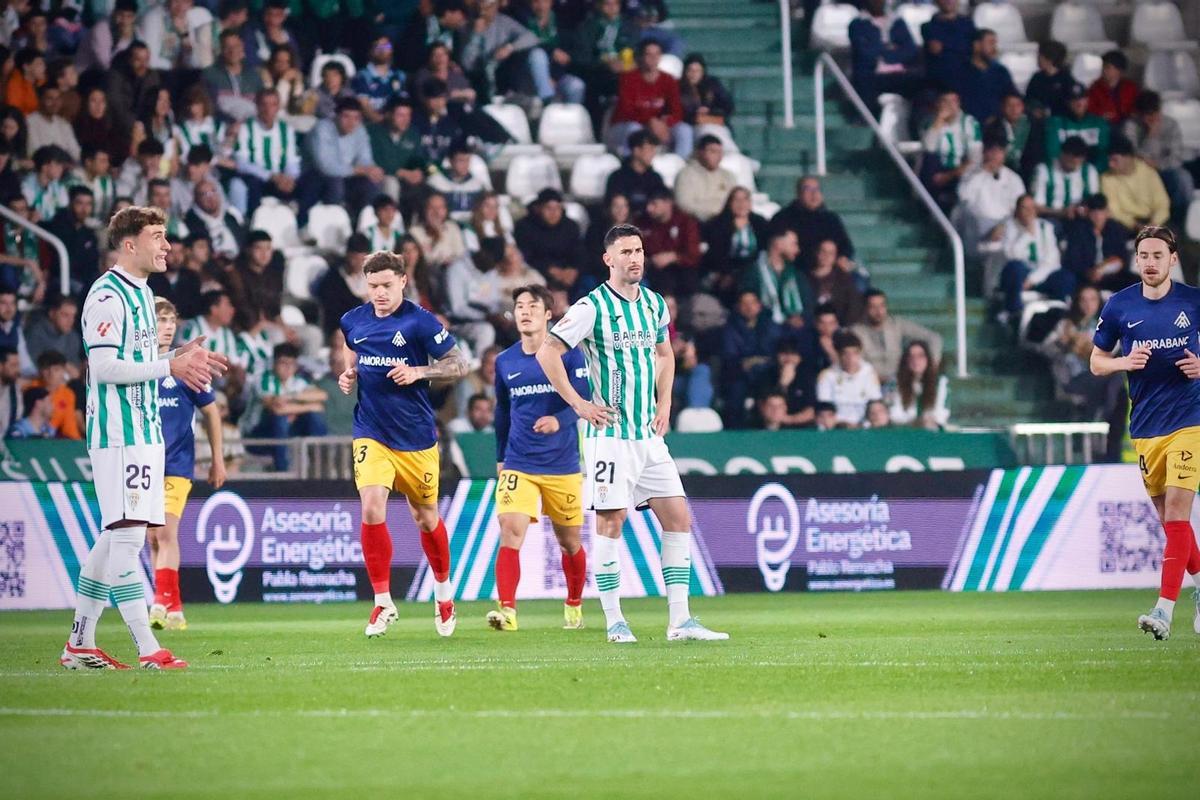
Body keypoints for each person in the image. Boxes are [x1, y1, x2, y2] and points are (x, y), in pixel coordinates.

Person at [537, 223, 728, 642]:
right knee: (612, 521)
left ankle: (680, 621)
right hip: (609, 436)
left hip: (647, 435)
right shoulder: (592, 307)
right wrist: (578, 403)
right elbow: (548, 351)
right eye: (625, 252)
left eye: (639, 250)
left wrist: (665, 404)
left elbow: (665, 354)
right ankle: (614, 620)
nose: (635, 258)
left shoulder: (656, 305)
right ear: (608, 259)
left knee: (678, 517)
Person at [60, 205, 226, 671]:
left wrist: (179, 355)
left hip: (145, 433)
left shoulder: (142, 293)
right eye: (157, 236)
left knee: (112, 539)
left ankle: (79, 642)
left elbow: (138, 360)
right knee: (129, 541)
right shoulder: (107, 295)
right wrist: (169, 365)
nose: (167, 245)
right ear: (129, 245)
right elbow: (105, 367)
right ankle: (148, 648)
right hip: (120, 434)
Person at [337, 249, 469, 638]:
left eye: (386, 286)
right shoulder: (353, 320)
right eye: (373, 286)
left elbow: (460, 363)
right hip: (372, 431)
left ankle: (443, 595)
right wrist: (349, 373)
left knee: (425, 517)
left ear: (402, 282)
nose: (379, 293)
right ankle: (382, 602)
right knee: (372, 506)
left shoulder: (420, 322)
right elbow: (351, 346)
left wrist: (419, 371)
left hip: (416, 438)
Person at [1089, 226, 1200, 640]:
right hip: (1146, 428)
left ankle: (1164, 611)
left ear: (1172, 259)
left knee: (1176, 514)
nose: (1151, 263)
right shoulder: (1120, 306)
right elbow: (1097, 362)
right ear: (1137, 261)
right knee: (1171, 524)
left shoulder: (1193, 300)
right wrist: (1125, 363)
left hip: (1191, 421)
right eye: (1144, 256)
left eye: (1158, 255)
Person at [146, 297, 224, 632]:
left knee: (165, 531)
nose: (166, 326)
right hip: (142, 464)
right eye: (160, 320)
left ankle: (159, 603)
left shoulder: (187, 365)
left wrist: (217, 459)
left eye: (170, 320)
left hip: (177, 464)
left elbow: (211, 411)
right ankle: (173, 606)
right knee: (152, 538)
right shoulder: (137, 366)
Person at [1036, 285, 1125, 460]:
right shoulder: (1065, 325)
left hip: (1099, 378)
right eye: (1083, 300)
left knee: (1116, 385)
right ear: (1077, 302)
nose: (1088, 304)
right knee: (1116, 387)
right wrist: (1065, 344)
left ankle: (1101, 425)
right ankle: (1103, 419)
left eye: (1092, 299)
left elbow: (1114, 350)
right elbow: (1045, 348)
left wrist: (1091, 348)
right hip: (1074, 378)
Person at [243, 342, 327, 471]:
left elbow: (322, 396)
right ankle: (282, 472)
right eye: (283, 363)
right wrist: (310, 405)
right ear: (274, 363)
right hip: (258, 434)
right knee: (279, 420)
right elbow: (276, 409)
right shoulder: (264, 380)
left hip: (286, 431)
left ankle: (319, 468)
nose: (288, 368)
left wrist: (291, 397)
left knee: (313, 418)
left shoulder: (297, 382)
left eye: (292, 364)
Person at [299, 97, 383, 225]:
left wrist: (372, 170)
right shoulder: (322, 128)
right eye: (346, 117)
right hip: (315, 178)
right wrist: (359, 170)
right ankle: (330, 225)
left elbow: (365, 159)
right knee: (335, 182)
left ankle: (361, 226)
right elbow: (326, 167)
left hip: (347, 177)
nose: (351, 122)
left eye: (356, 118)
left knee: (373, 183)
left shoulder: (360, 130)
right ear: (336, 116)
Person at [607, 39, 692, 158]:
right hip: (625, 126)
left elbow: (677, 111)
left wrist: (665, 123)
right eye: (649, 54)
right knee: (634, 129)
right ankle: (630, 166)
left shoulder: (669, 80)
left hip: (657, 127)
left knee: (684, 130)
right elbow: (626, 111)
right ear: (641, 57)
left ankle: (680, 166)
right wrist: (650, 122)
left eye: (657, 54)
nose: (653, 58)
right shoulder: (628, 78)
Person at [1122, 91, 1194, 221]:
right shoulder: (1131, 126)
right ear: (1139, 113)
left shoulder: (1171, 125)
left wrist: (1158, 165)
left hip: (1165, 170)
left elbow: (1176, 158)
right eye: (1146, 114)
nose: (1150, 117)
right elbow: (1131, 156)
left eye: (1154, 112)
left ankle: (1181, 219)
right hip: (1140, 172)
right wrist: (1151, 135)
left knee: (1183, 177)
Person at [229, 88, 299, 216]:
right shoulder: (246, 128)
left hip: (280, 179)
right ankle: (253, 222)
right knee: (251, 183)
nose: (268, 110)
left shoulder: (286, 130)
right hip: (257, 178)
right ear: (257, 106)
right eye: (264, 104)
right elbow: (242, 164)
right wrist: (271, 176)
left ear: (278, 107)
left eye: (273, 105)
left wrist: (290, 178)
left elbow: (292, 160)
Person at [852, 289, 943, 386]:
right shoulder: (856, 331)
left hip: (901, 382)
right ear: (865, 308)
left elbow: (934, 338)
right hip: (870, 383)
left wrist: (933, 364)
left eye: (882, 306)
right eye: (873, 307)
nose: (878, 311)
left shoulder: (897, 324)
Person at [998, 194, 1068, 320]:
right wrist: (1027, 235)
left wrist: (1032, 279)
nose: (1029, 212)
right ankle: (1013, 312)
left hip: (1040, 276)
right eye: (1025, 208)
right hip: (1018, 275)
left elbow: (1052, 261)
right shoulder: (1009, 226)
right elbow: (1011, 255)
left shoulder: (1046, 227)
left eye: (1032, 208)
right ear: (1017, 210)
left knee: (1065, 277)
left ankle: (1058, 314)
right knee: (1015, 268)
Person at [956, 137, 1026, 256]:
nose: (995, 156)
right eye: (991, 151)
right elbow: (963, 197)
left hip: (1006, 225)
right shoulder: (971, 175)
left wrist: (1004, 225)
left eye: (999, 152)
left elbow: (1021, 206)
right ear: (984, 153)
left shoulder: (1014, 179)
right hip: (979, 225)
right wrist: (983, 172)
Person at [722, 290, 782, 429]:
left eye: (752, 303)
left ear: (759, 305)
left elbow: (774, 353)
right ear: (738, 307)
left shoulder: (770, 326)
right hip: (739, 375)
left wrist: (758, 362)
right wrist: (746, 364)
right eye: (745, 303)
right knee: (735, 391)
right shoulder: (730, 329)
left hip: (767, 373)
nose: (749, 307)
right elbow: (730, 357)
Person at [769, 176, 856, 271]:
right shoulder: (783, 218)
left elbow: (846, 246)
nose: (814, 194)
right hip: (796, 270)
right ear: (798, 193)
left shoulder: (831, 219)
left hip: (827, 271)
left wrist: (842, 257)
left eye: (817, 189)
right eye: (808, 189)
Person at [849, 0, 919, 118]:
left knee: (920, 85)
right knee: (865, 82)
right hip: (873, 75)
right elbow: (865, 53)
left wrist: (884, 54)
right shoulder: (857, 25)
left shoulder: (898, 23)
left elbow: (910, 50)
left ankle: (914, 127)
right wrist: (892, 49)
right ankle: (867, 122)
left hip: (900, 74)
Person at [701, 186, 769, 303]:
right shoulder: (717, 224)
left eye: (745, 199)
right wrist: (728, 272)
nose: (741, 204)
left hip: (754, 267)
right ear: (729, 202)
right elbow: (716, 254)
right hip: (726, 269)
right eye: (737, 200)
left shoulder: (760, 223)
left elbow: (764, 249)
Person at [1061, 193, 1134, 294]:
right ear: (1088, 213)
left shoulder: (1116, 229)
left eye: (1101, 212)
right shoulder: (1078, 230)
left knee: (1135, 282)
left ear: (1107, 213)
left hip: (1111, 274)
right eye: (1094, 213)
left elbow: (1122, 258)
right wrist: (1089, 273)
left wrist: (1104, 269)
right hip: (1086, 276)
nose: (1098, 216)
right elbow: (1073, 261)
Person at [920, 89, 980, 208]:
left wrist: (948, 176)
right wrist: (939, 121)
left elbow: (975, 158)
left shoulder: (970, 123)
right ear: (938, 104)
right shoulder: (929, 122)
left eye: (953, 101)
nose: (950, 106)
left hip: (960, 169)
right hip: (937, 170)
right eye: (945, 102)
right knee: (929, 160)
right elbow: (928, 148)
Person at [638, 187, 701, 298]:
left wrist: (673, 257)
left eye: (654, 204)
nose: (649, 209)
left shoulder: (686, 222)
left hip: (682, 271)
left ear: (668, 203)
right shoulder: (643, 223)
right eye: (647, 204)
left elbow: (694, 255)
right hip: (654, 271)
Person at [740, 229, 811, 327]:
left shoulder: (797, 274)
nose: (797, 250)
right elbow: (747, 308)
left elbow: (808, 305)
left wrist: (801, 319)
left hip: (797, 333)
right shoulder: (752, 273)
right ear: (778, 243)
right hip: (763, 332)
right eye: (793, 244)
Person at [1101, 136, 1170, 232]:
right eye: (1109, 160)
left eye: (1115, 160)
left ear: (1128, 158)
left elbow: (1162, 204)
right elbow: (1114, 210)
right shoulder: (1107, 178)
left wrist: (1154, 223)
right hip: (1126, 224)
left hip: (1152, 220)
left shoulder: (1148, 172)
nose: (1110, 164)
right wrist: (1135, 225)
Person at [816, 330, 882, 429]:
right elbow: (825, 409)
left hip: (865, 427)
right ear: (838, 355)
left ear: (860, 353)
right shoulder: (827, 376)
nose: (850, 359)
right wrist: (843, 424)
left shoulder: (870, 373)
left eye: (855, 353)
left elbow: (875, 404)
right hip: (836, 428)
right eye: (845, 354)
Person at [1032, 136, 1100, 223]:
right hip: (1051, 217)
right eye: (1071, 159)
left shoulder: (1089, 171)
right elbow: (1037, 207)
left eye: (1079, 159)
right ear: (1062, 154)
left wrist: (1081, 209)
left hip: (1080, 218)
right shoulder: (1043, 170)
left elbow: (1094, 202)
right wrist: (1060, 212)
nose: (1075, 163)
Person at [1045, 82, 1109, 172]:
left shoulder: (1099, 123)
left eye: (1082, 98)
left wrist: (1091, 173)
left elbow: (1103, 154)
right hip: (1063, 172)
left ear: (1087, 100)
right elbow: (1052, 154)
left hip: (1094, 173)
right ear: (1067, 102)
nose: (1079, 103)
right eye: (1074, 99)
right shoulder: (1056, 124)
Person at [673, 134, 735, 223]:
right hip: (696, 224)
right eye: (713, 151)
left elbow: (735, 202)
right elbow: (684, 205)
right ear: (700, 152)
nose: (719, 156)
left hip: (725, 224)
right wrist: (715, 210)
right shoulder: (685, 175)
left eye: (720, 152)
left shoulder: (728, 176)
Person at [960, 28, 1015, 126]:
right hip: (967, 126)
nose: (995, 48)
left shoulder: (1000, 71)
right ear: (976, 45)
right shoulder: (960, 72)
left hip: (997, 127)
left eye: (995, 44)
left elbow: (1011, 95)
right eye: (990, 43)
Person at [604, 129, 666, 216]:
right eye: (650, 149)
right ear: (636, 150)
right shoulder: (617, 178)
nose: (653, 154)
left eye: (654, 149)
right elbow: (614, 209)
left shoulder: (656, 179)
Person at [889, 340, 948, 429]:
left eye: (921, 356)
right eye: (911, 356)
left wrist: (928, 421)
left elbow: (941, 413)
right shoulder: (895, 382)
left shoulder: (941, 382)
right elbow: (895, 414)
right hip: (904, 433)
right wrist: (914, 422)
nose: (915, 360)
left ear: (928, 359)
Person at [920, 0, 975, 93]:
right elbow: (935, 49)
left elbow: (970, 49)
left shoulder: (968, 24)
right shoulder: (928, 27)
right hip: (938, 82)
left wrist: (946, 45)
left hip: (965, 79)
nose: (949, 1)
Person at [678, 54, 732, 127]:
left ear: (702, 72)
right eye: (690, 70)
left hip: (713, 122)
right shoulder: (678, 87)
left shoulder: (712, 84)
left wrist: (710, 110)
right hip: (690, 125)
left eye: (697, 71)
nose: (693, 74)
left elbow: (727, 106)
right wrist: (694, 114)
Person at [1086, 50, 1138, 126]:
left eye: (1108, 67)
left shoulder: (1130, 88)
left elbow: (1136, 108)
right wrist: (1101, 115)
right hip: (1103, 126)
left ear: (1119, 70)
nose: (1104, 70)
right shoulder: (1095, 88)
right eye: (1103, 67)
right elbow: (1089, 109)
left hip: (1127, 128)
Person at [1025, 40, 1073, 121]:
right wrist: (1033, 110)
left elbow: (1069, 104)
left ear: (1049, 58)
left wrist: (1048, 112)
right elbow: (1028, 99)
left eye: (1040, 55)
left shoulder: (1066, 79)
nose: (1037, 58)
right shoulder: (1037, 78)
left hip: (1059, 122)